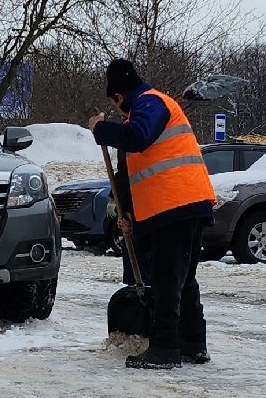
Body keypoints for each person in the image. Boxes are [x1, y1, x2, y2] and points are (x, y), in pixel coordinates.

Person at [88, 58, 216, 369]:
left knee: (165, 280)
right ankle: (192, 344)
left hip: (178, 204)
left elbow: (138, 137)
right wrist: (128, 212)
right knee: (182, 280)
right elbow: (132, 173)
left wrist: (100, 129)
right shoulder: (143, 110)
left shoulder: (151, 103)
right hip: (180, 204)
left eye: (116, 105)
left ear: (118, 97)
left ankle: (165, 349)